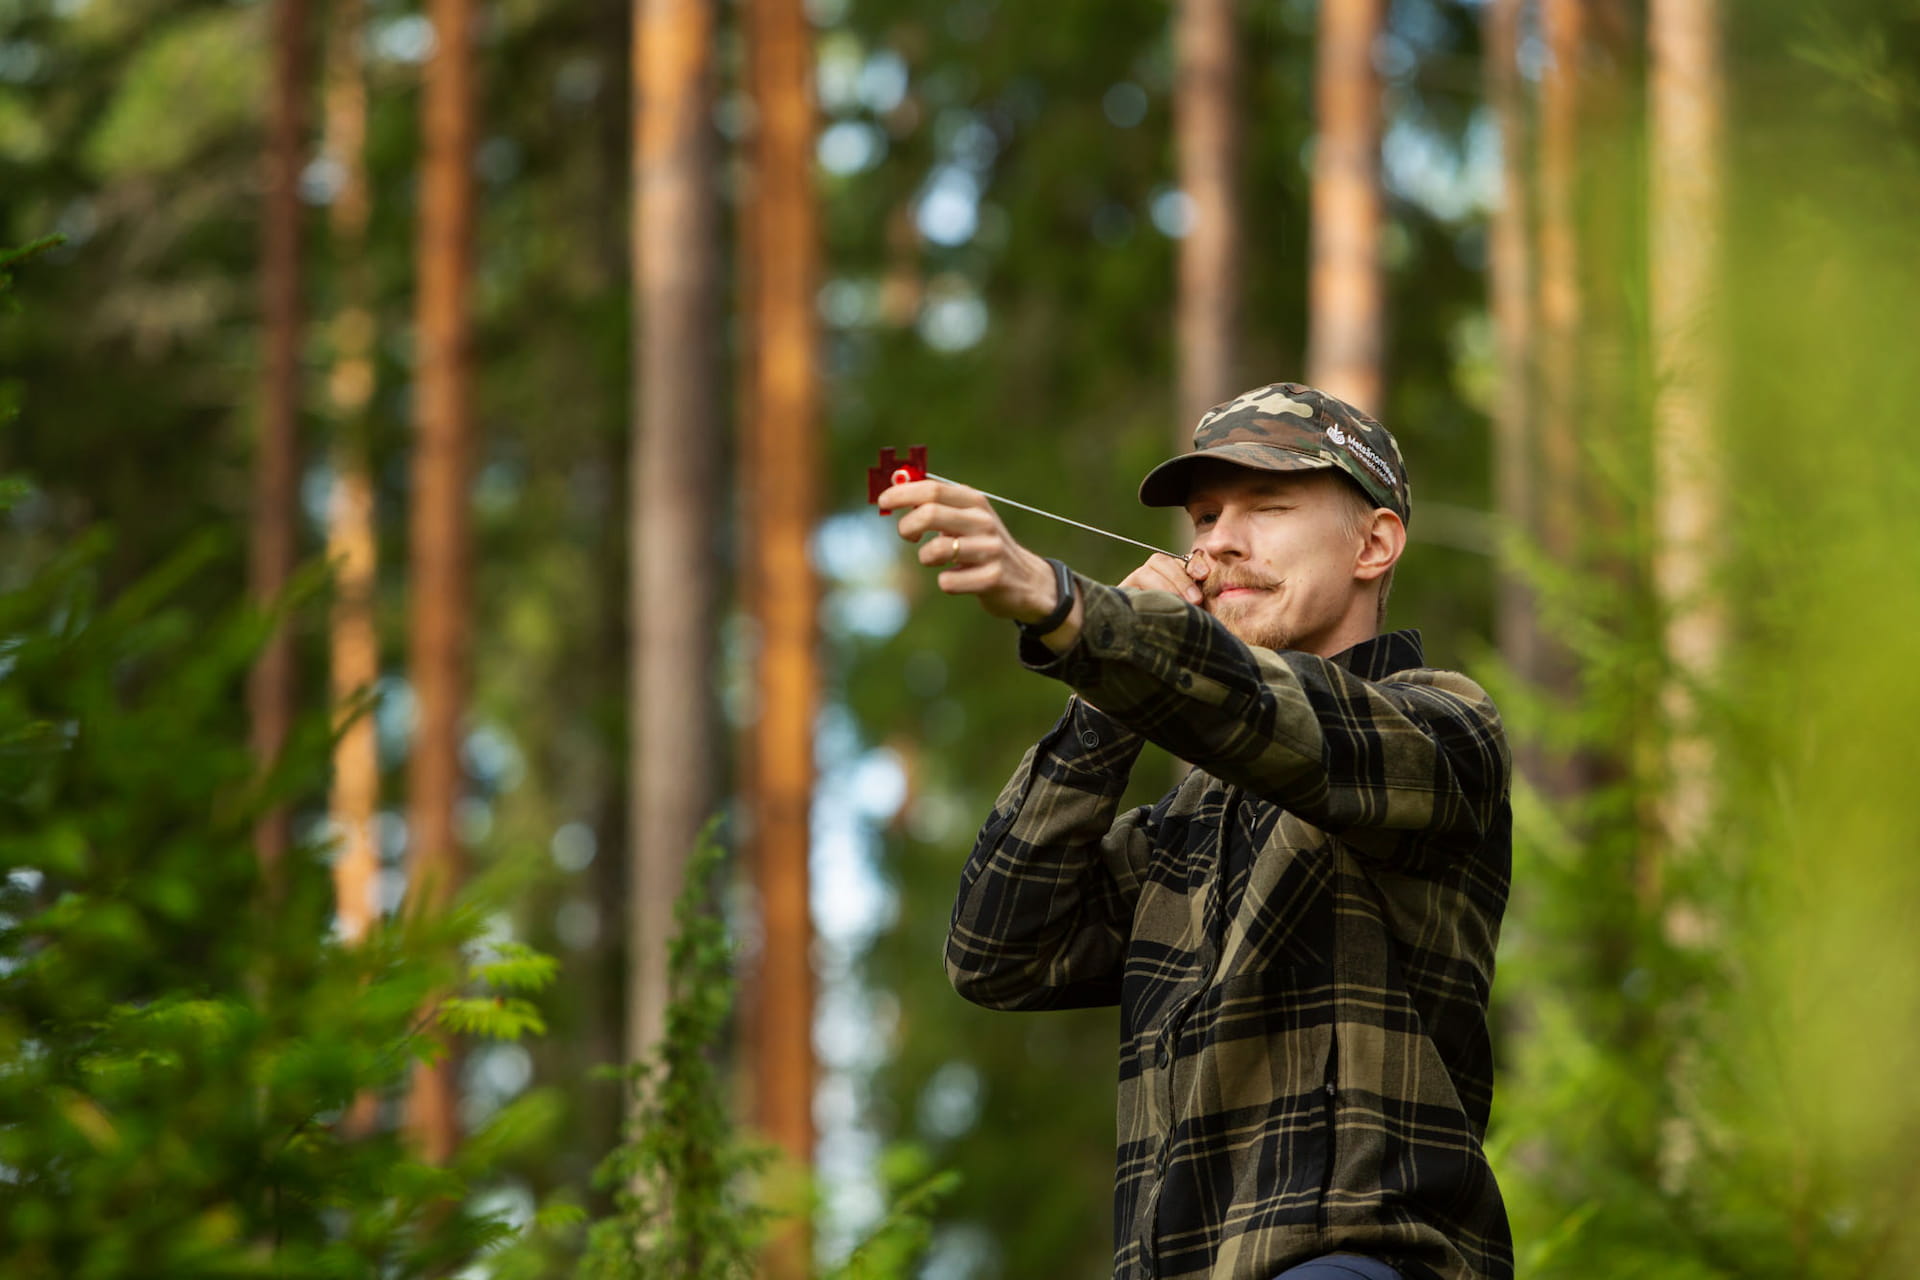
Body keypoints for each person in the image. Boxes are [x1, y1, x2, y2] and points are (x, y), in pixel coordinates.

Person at [878, 383, 1513, 1280]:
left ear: (1373, 544)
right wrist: (1106, 696)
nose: (1218, 541)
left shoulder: (1446, 726)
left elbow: (1298, 728)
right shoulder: (1188, 824)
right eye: (1207, 515)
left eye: (1267, 505)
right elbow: (998, 951)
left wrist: (1077, 614)